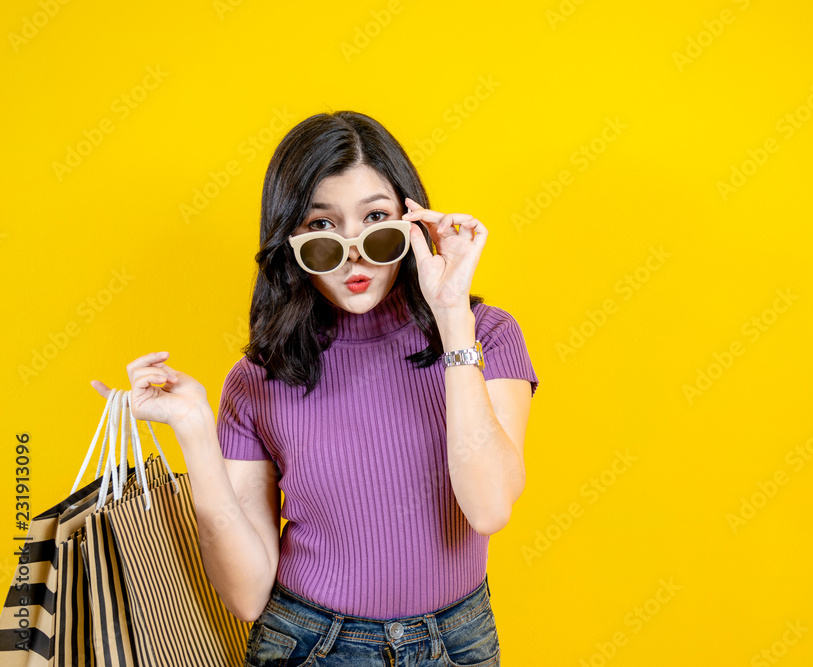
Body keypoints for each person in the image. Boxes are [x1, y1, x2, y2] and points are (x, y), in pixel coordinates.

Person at [90, 111, 539, 666]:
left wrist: (451, 318)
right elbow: (247, 595)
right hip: (310, 645)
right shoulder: (259, 380)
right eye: (322, 226)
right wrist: (197, 433)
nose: (353, 250)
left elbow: (490, 507)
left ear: (411, 220)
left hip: (458, 641)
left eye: (375, 217)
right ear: (291, 240)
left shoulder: (486, 334)